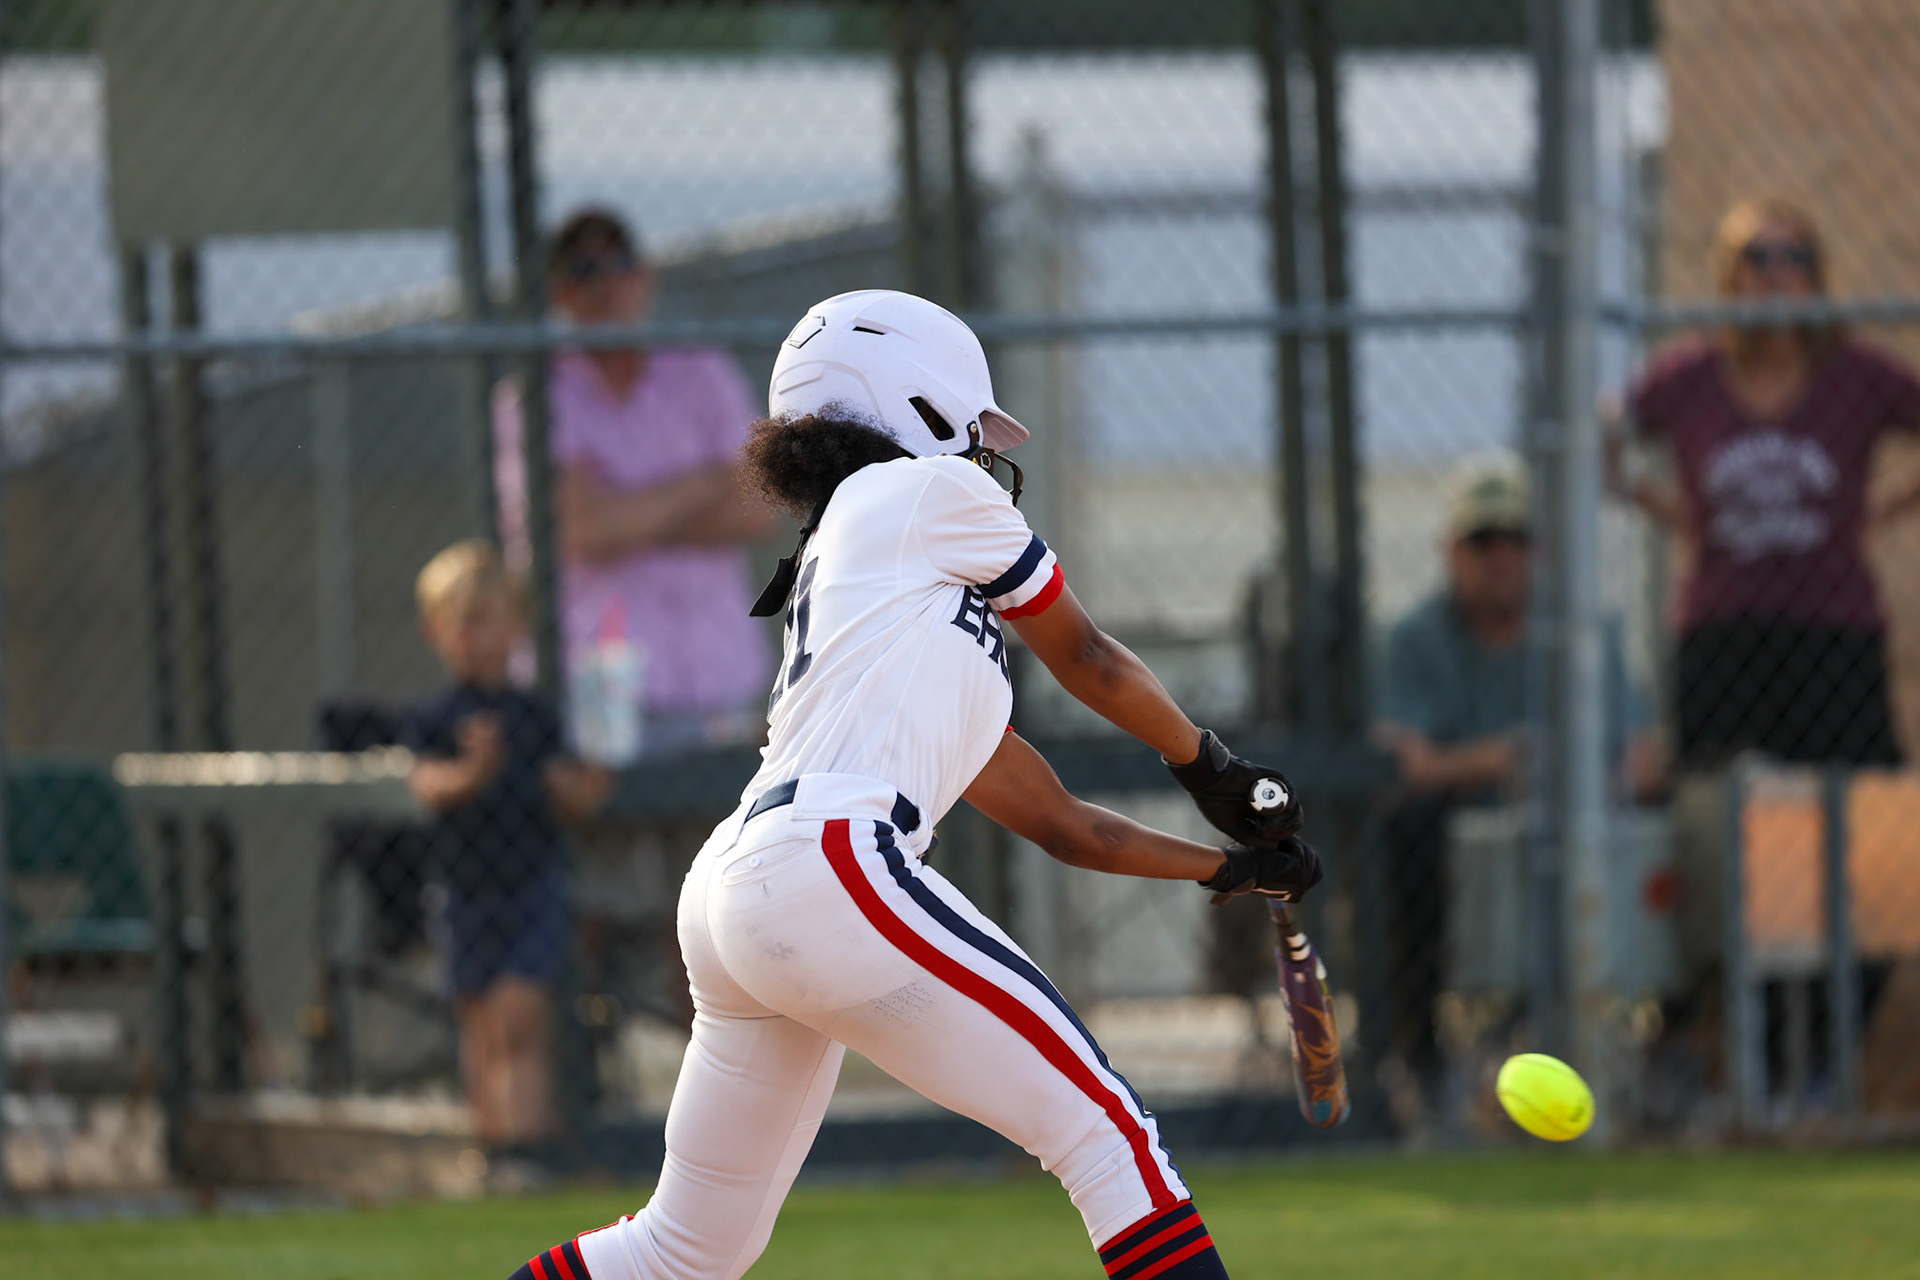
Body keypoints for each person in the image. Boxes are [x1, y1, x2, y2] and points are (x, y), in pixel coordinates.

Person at [504, 291, 1319, 1280]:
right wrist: (1213, 767)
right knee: (1107, 1133)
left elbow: (1065, 825)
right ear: (915, 403)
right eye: (970, 425)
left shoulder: (885, 596)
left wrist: (1226, 867)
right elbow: (1091, 657)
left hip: (740, 885)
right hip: (829, 860)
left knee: (683, 1248)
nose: (979, 451)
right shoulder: (923, 491)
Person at [1373, 452, 1656, 1112]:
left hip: (1580, 818)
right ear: (1451, 551)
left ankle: (1664, 1056)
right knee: (1405, 831)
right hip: (1461, 833)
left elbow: (1644, 756)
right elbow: (1404, 761)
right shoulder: (1415, 637)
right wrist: (1501, 759)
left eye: (1517, 540)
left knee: (1664, 824)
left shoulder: (1585, 631)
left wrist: (1583, 786)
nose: (1502, 557)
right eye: (1483, 541)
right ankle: (1420, 1060)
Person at [1609, 196, 1920, 768]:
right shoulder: (1690, 377)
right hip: (1725, 628)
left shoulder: (1856, 373)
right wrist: (1674, 511)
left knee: (1864, 793)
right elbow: (1603, 433)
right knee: (1715, 792)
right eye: (1758, 258)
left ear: (1816, 277)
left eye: (1795, 257)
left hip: (1832, 625)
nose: (1777, 274)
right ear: (1732, 277)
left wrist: (1884, 509)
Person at [493, 208, 776, 752]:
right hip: (591, 686)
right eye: (582, 270)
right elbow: (581, 529)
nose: (605, 285)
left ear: (646, 277)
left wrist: (624, 512)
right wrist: (705, 485)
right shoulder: (534, 393)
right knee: (609, 810)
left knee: (725, 810)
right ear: (559, 293)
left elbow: (760, 509)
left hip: (718, 677)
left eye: (618, 264)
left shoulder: (702, 371)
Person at [404, 541, 612, 1145]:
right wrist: (473, 772)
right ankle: (491, 1149)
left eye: (485, 620)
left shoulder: (534, 716)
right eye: (458, 622)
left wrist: (589, 777)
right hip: (463, 893)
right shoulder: (435, 718)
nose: (473, 637)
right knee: (481, 1027)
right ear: (433, 631)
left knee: (520, 1018)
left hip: (530, 888)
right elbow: (427, 784)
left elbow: (573, 795)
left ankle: (528, 1146)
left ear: (516, 627)